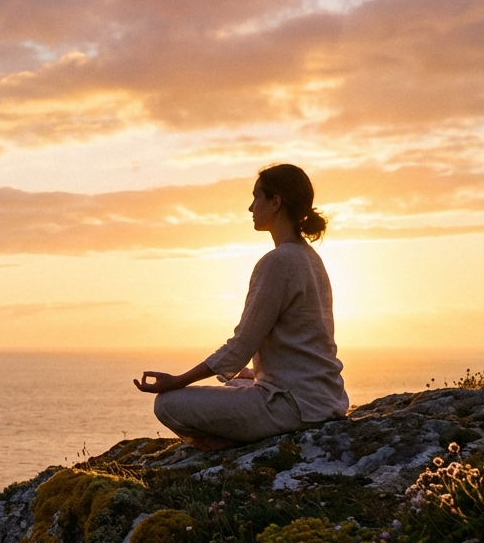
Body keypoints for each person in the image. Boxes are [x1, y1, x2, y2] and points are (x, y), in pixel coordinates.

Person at [134, 164, 348, 450]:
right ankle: (238, 429)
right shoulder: (310, 258)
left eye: (256, 197)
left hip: (293, 407)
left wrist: (177, 381)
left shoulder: (277, 262)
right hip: (325, 399)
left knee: (167, 404)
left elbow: (240, 346)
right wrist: (256, 373)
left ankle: (225, 444)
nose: (250, 207)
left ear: (275, 202)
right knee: (236, 383)